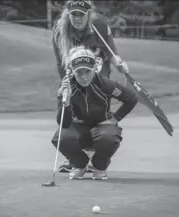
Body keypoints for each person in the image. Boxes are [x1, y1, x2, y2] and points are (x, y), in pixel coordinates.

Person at [52, 0, 130, 172]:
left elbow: (111, 53)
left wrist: (120, 65)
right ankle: (77, 157)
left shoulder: (100, 25)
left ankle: (93, 157)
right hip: (74, 75)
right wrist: (65, 87)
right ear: (68, 14)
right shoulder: (59, 31)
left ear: (89, 14)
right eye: (74, 15)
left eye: (81, 14)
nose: (78, 18)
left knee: (96, 114)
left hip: (99, 75)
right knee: (76, 117)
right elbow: (61, 63)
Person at [51, 46, 137, 180]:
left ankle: (99, 167)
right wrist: (65, 103)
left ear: (94, 69)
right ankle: (79, 165)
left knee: (108, 138)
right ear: (73, 71)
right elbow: (64, 122)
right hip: (79, 127)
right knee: (61, 138)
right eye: (79, 73)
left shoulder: (105, 84)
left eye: (87, 72)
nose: (84, 77)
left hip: (102, 126)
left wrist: (115, 119)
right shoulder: (67, 87)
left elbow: (131, 98)